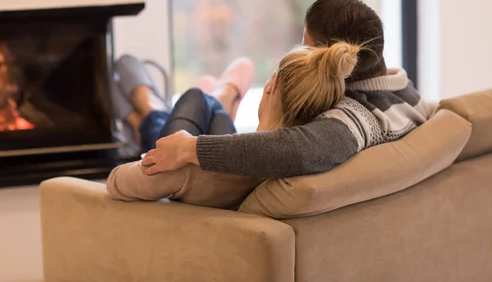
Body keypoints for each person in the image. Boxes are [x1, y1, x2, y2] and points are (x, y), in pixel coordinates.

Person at [140, 0, 430, 178]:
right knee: (207, 106)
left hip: (221, 196)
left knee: (196, 99)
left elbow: (300, 151)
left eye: (306, 49)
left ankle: (176, 101)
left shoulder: (355, 119)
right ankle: (216, 96)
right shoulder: (408, 95)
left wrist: (190, 148)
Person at [107, 41, 362, 209]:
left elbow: (116, 182)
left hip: (188, 198)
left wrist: (180, 148)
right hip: (224, 188)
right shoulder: (302, 162)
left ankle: (154, 111)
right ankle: (218, 97)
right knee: (210, 107)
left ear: (271, 84)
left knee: (191, 95)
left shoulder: (194, 170)